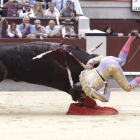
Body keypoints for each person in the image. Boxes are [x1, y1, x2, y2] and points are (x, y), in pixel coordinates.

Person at [69, 31, 140, 103]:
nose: (84, 98)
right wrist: (101, 58)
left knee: (128, 87)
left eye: (81, 98)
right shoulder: (82, 77)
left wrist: (106, 87)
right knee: (122, 60)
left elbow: (105, 99)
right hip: (105, 60)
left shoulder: (88, 90)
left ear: (81, 95)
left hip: (111, 67)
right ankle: (131, 37)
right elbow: (90, 62)